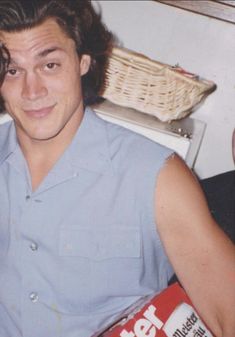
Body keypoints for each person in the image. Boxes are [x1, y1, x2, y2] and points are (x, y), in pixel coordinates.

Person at [0, 1, 234, 336]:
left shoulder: (158, 178)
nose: (31, 91)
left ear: (83, 62)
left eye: (49, 64)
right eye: (12, 70)